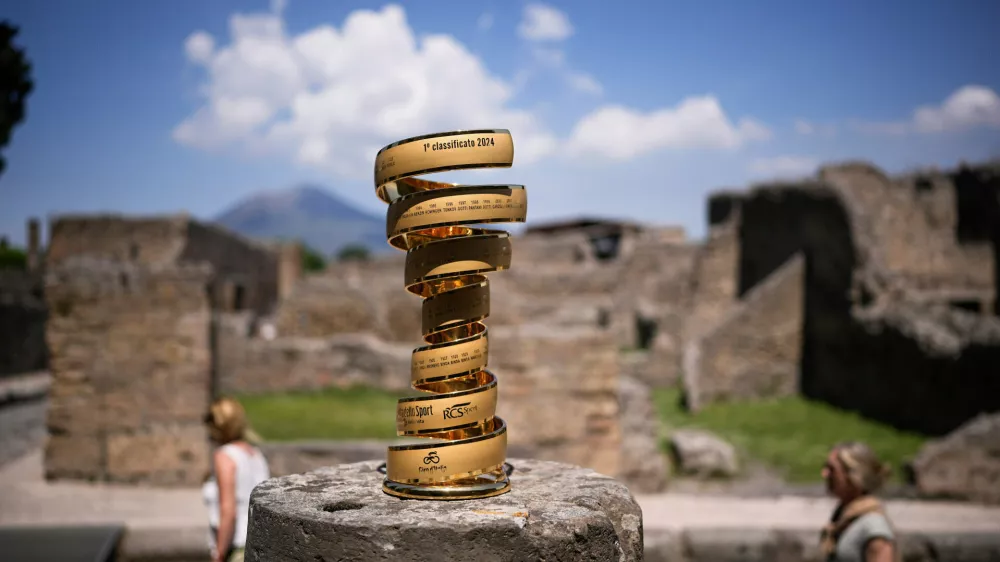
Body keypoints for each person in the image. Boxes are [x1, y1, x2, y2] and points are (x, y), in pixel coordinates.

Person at [202, 397, 271, 562]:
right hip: (258, 543)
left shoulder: (224, 456)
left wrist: (218, 554)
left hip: (236, 547)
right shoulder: (255, 454)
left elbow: (228, 511)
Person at [819, 441, 900, 562]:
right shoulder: (842, 518)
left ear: (854, 476)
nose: (824, 474)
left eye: (832, 469)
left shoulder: (874, 528)